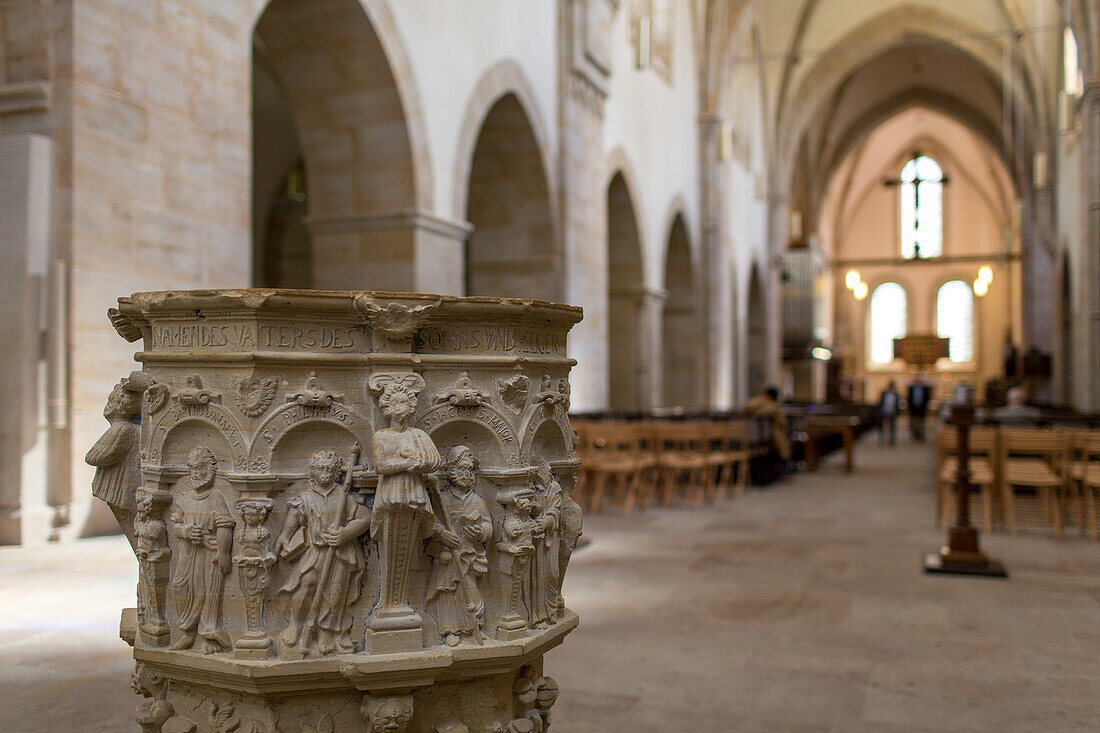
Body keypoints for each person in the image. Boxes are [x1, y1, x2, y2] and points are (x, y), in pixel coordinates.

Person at [275, 449, 369, 656]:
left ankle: (327, 631)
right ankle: (296, 624)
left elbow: (364, 518)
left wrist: (345, 533)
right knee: (304, 584)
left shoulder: (344, 496)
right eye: (320, 468)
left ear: (336, 472)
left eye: (329, 468)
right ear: (313, 471)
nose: (325, 472)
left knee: (335, 594)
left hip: (340, 554)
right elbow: (294, 517)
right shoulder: (306, 497)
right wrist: (284, 536)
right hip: (314, 551)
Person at [425, 445, 493, 646]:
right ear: (451, 473)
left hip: (469, 555)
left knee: (471, 592)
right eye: (462, 469)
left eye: (470, 471)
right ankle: (451, 630)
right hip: (448, 555)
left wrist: (481, 532)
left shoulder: (477, 501)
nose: (467, 475)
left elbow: (488, 524)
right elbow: (430, 523)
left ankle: (475, 627)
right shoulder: (443, 499)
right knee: (448, 591)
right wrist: (442, 534)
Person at [169, 446, 234, 653]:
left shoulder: (215, 497)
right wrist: (186, 531)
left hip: (210, 554)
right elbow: (176, 524)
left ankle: (209, 636)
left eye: (201, 469)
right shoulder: (183, 497)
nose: (196, 474)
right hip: (188, 553)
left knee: (208, 593)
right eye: (193, 469)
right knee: (181, 585)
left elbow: (225, 525)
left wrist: (222, 553)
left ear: (211, 471)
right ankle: (187, 632)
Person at [744, 386, 790, 463]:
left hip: (745, 436)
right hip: (766, 437)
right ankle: (783, 466)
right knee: (782, 442)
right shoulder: (773, 407)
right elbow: (783, 423)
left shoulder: (751, 404)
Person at [907, 374, 931, 442]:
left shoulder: (924, 388)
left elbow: (927, 398)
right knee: (913, 422)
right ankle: (914, 435)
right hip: (913, 408)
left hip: (921, 408)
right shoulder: (911, 388)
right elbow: (909, 398)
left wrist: (925, 407)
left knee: (922, 422)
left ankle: (921, 435)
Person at [878, 381, 900, 445]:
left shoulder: (896, 394)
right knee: (883, 426)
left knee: (892, 426)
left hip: (893, 411)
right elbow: (881, 402)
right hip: (884, 411)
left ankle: (892, 439)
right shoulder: (884, 393)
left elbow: (897, 404)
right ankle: (882, 438)